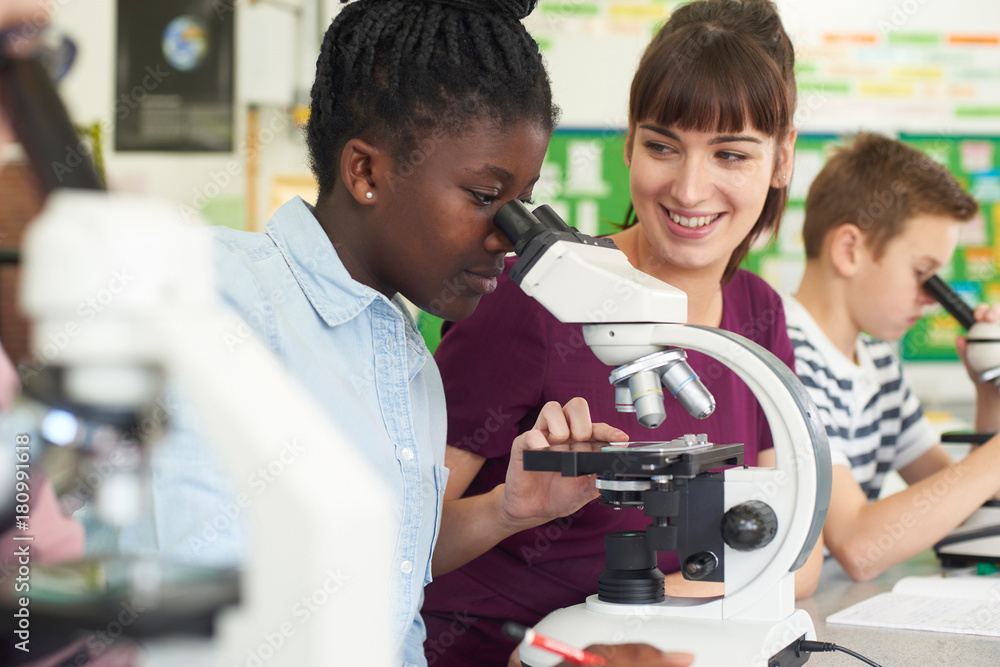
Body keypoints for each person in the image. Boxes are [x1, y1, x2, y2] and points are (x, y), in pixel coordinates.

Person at [96, 2, 696, 666]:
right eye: (482, 195)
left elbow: (386, 573)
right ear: (366, 173)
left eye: (521, 199)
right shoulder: (218, 302)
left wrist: (510, 508)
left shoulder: (405, 354)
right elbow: (192, 629)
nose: (508, 236)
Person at [421, 1, 823, 665]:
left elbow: (792, 552)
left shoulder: (759, 313)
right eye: (664, 146)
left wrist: (633, 609)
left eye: (730, 153)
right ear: (630, 142)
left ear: (781, 160)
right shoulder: (535, 294)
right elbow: (398, 548)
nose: (690, 189)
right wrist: (514, 512)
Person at [784, 131, 1000, 582]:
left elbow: (963, 513)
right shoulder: (786, 357)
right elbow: (860, 546)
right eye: (924, 274)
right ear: (849, 250)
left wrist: (989, 387)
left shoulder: (877, 364)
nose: (933, 299)